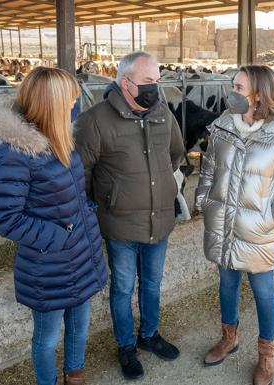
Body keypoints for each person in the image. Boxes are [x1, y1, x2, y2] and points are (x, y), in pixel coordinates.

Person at [0, 66, 108, 385]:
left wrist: (85, 217)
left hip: (79, 255)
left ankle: (75, 375)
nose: (75, 104)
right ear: (53, 104)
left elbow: (70, 197)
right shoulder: (16, 153)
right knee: (47, 337)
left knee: (79, 326)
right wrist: (59, 236)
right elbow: (6, 219)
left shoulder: (61, 138)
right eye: (70, 99)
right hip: (49, 265)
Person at [74, 51, 185, 381]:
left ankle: (149, 335)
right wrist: (108, 199)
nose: (155, 88)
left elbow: (176, 154)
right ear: (126, 83)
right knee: (123, 288)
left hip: (160, 220)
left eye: (157, 81)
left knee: (151, 284)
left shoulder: (163, 114)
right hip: (120, 224)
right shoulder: (94, 121)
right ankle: (125, 345)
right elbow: (82, 173)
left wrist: (160, 185)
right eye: (148, 82)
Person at [196, 65, 274, 385]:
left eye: (239, 87)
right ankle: (229, 338)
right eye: (233, 85)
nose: (233, 92)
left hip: (258, 229)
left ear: (258, 93)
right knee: (227, 284)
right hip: (223, 223)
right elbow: (209, 169)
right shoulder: (222, 126)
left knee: (262, 291)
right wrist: (204, 199)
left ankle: (266, 356)